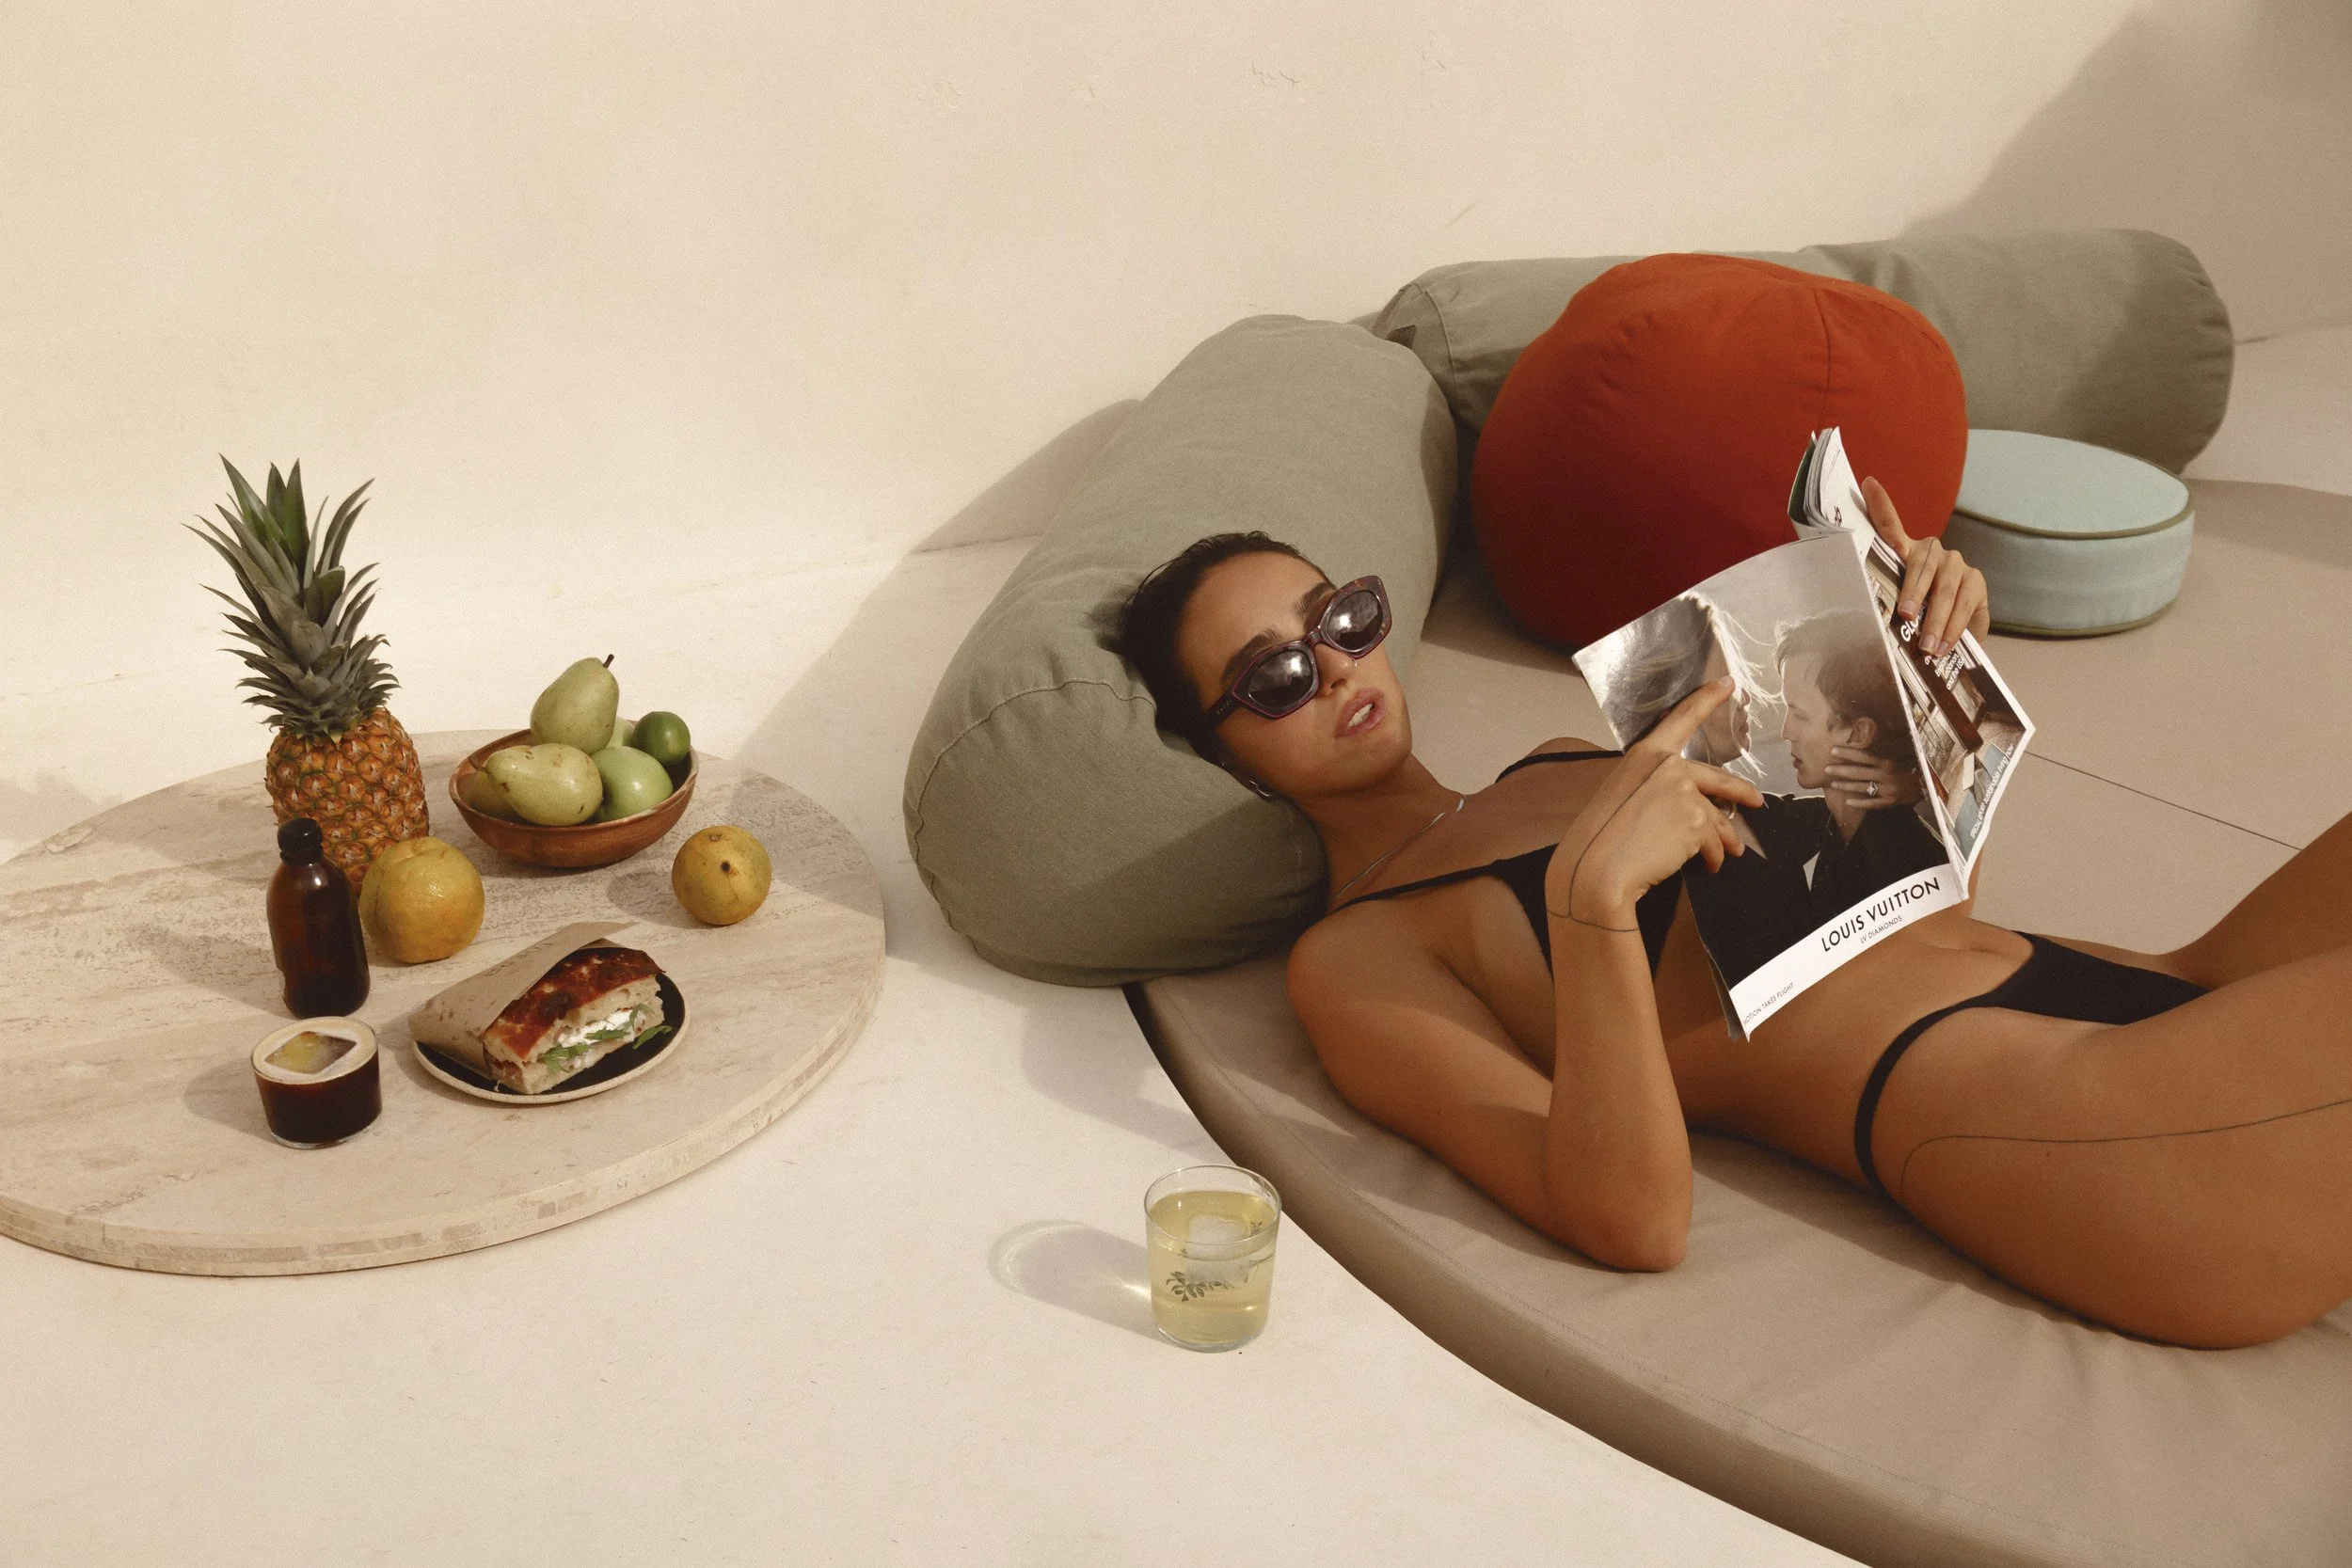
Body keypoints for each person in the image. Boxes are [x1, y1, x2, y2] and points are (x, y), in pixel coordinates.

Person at [1110, 477, 2352, 1349]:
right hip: (2065, 1121)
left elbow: (1904, 909)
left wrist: (1922, 675)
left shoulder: (1559, 758)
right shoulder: (1360, 956)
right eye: (1271, 676)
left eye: (1341, 617)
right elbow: (1630, 1218)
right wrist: (1594, 907)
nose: (1331, 666)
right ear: (1229, 761)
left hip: (2153, 984)